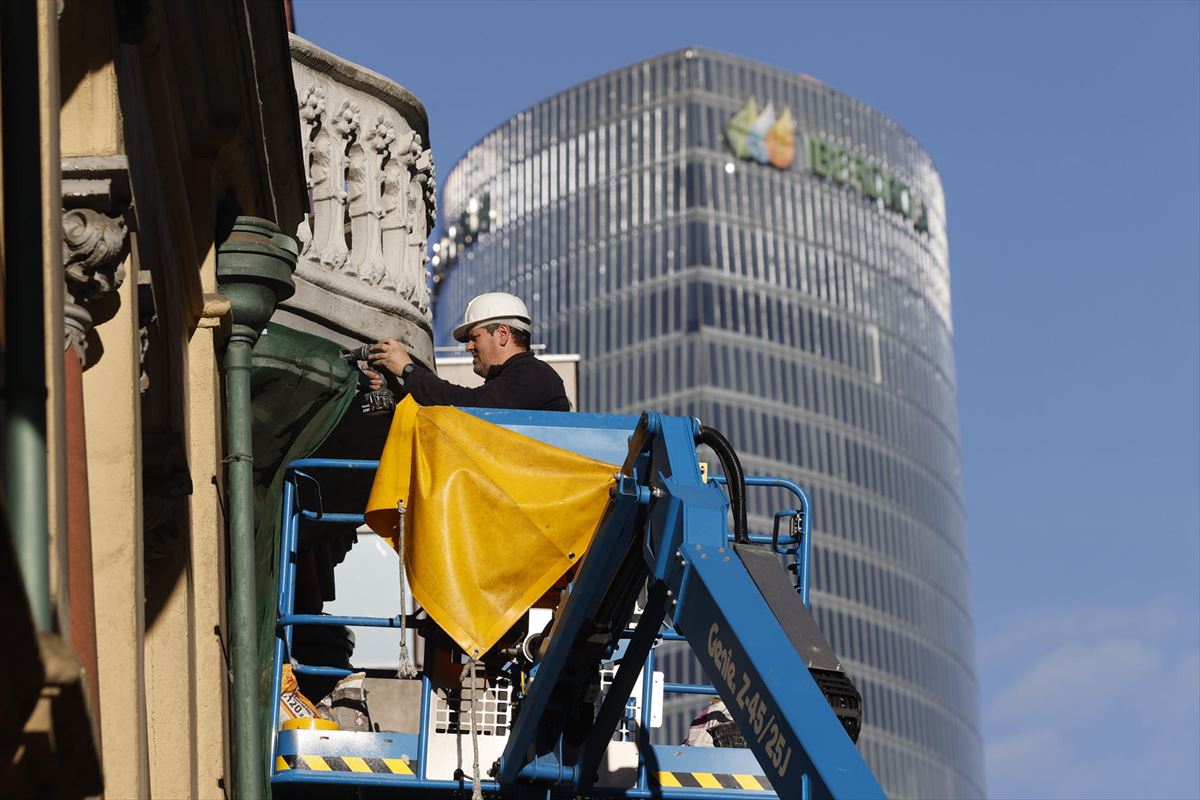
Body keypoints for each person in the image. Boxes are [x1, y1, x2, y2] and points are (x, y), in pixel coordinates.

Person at [367, 292, 570, 411]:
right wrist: (397, 390)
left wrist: (408, 370)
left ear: (502, 334)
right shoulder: (519, 378)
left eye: (475, 338)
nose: (468, 347)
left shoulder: (531, 374)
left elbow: (467, 406)